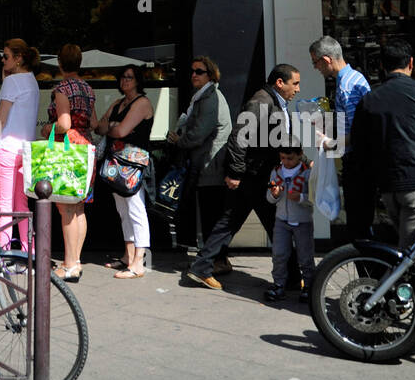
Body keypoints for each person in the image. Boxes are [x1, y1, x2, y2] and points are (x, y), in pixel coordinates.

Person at [186, 63, 301, 290]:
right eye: (295, 83)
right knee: (276, 225)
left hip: (257, 174)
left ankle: (201, 267)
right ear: (280, 82)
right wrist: (236, 172)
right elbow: (238, 139)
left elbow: (280, 139)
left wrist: (301, 160)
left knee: (229, 223)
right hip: (254, 176)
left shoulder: (274, 102)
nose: (297, 89)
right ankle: (293, 278)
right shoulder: (261, 103)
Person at [349, 38, 415, 253]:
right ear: (410, 62)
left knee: (406, 244)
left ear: (382, 66)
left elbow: (360, 147)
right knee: (409, 253)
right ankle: (399, 284)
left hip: (389, 186)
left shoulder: (370, 99)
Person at [166, 54, 233, 274]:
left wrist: (180, 140)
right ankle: (213, 258)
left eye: (199, 71)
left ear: (210, 74)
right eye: (192, 71)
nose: (194, 75)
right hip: (205, 163)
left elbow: (200, 133)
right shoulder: (202, 96)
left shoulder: (210, 97)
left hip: (210, 164)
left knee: (211, 214)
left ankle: (218, 261)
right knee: (208, 213)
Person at [93, 64, 153, 280]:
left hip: (133, 165)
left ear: (138, 80)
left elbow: (120, 130)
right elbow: (99, 127)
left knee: (136, 208)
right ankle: (128, 256)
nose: (125, 81)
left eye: (129, 77)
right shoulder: (119, 103)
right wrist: (113, 125)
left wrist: (113, 125)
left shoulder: (142, 103)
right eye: (122, 77)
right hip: (116, 165)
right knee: (123, 209)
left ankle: (139, 261)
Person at [309, 35, 372, 238]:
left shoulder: (346, 86)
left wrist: (329, 143)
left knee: (358, 226)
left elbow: (357, 132)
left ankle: (369, 270)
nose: (315, 68)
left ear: (326, 60)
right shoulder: (354, 78)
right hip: (360, 162)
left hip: (358, 164)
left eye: (315, 62)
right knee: (361, 223)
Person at [0, 38, 41, 251]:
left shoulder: (12, 82)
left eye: (6, 56)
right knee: (21, 206)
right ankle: (29, 252)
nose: (2, 59)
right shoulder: (31, 81)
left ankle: (4, 254)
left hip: (7, 148)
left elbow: (1, 118)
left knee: (4, 207)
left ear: (18, 59)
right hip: (25, 150)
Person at [46, 43, 96, 282]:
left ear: (60, 63)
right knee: (79, 207)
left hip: (68, 149)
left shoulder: (62, 88)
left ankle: (68, 264)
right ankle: (76, 260)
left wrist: (48, 127)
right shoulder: (88, 88)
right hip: (86, 146)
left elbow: (64, 124)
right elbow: (93, 123)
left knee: (65, 208)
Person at [263, 147, 315, 303]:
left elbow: (314, 198)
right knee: (279, 254)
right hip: (281, 220)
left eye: (290, 158)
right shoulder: (276, 172)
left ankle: (309, 286)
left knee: (305, 256)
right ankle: (279, 284)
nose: (286, 162)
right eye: (283, 158)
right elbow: (269, 197)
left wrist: (300, 198)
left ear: (300, 155)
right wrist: (274, 195)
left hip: (303, 221)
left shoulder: (307, 172)